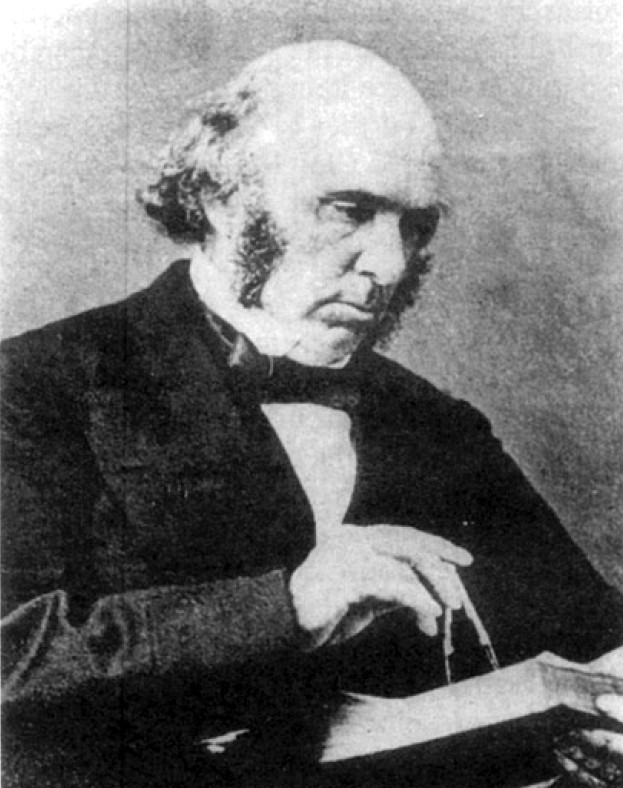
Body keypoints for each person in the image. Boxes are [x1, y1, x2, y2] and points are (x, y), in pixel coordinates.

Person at [1, 40, 622, 788]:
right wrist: (288, 606)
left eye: (414, 226)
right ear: (223, 198)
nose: (389, 265)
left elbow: (593, 634)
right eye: (349, 211)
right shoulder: (34, 386)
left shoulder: (435, 422)